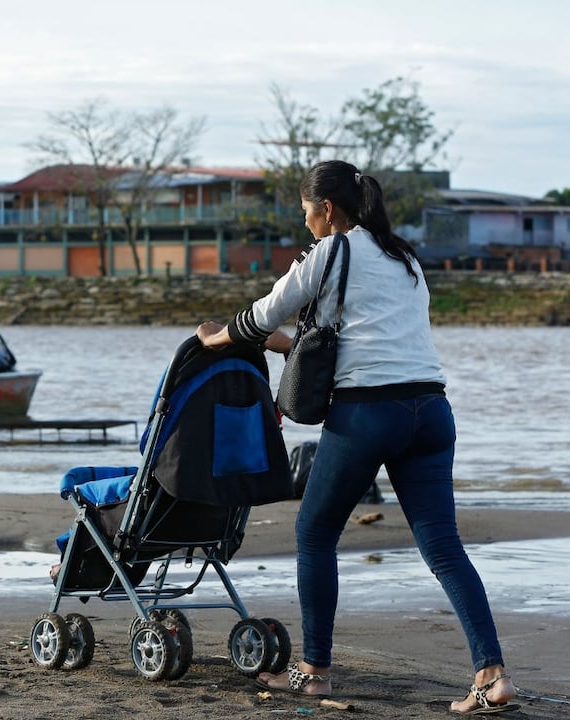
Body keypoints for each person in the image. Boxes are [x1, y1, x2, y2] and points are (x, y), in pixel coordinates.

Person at [195, 160, 517, 715]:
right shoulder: (405, 258)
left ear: (326, 209)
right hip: (432, 412)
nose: (306, 226)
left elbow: (263, 313)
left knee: (315, 533)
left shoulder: (331, 252)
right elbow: (354, 339)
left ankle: (314, 671)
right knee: (443, 547)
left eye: (306, 215)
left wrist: (217, 337)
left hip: (369, 412)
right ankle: (491, 676)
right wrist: (280, 344)